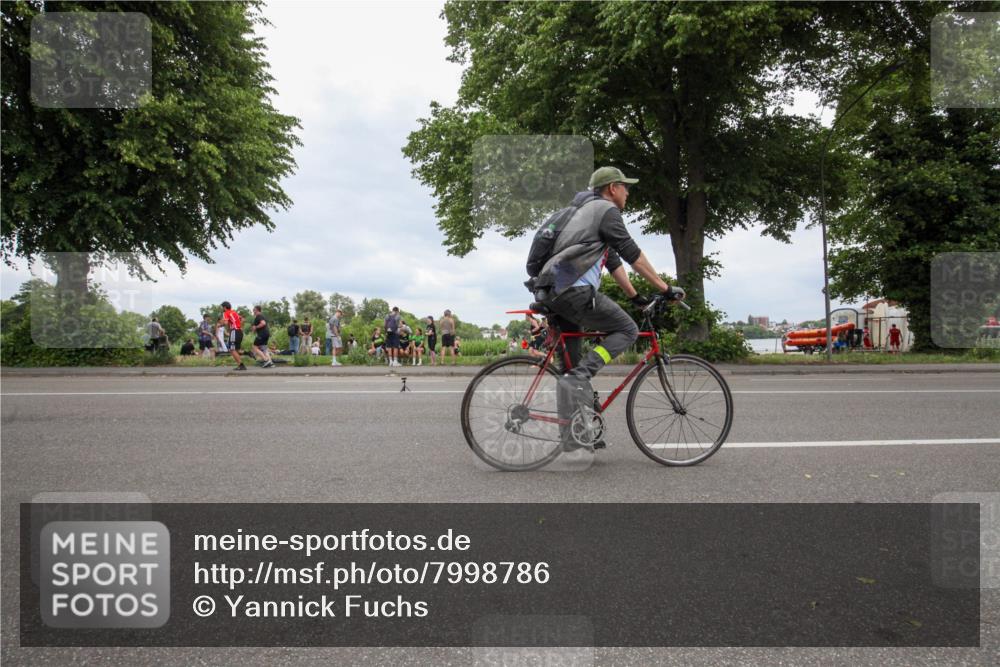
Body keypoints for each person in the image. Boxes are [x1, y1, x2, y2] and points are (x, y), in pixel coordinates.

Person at [528, 166, 684, 447]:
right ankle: (581, 376)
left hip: (552, 292)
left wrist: (635, 297)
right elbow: (634, 256)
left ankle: (574, 437)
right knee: (627, 330)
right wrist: (665, 289)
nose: (628, 192)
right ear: (612, 188)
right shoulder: (605, 211)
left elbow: (614, 263)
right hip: (575, 292)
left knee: (570, 369)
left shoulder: (582, 215)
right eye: (625, 187)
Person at [221, 301, 246, 370]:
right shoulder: (234, 312)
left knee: (232, 349)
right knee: (236, 350)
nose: (222, 309)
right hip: (240, 331)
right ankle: (242, 361)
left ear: (225, 307)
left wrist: (220, 325)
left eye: (222, 307)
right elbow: (242, 319)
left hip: (234, 331)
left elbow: (226, 323)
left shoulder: (226, 313)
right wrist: (239, 326)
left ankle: (241, 365)